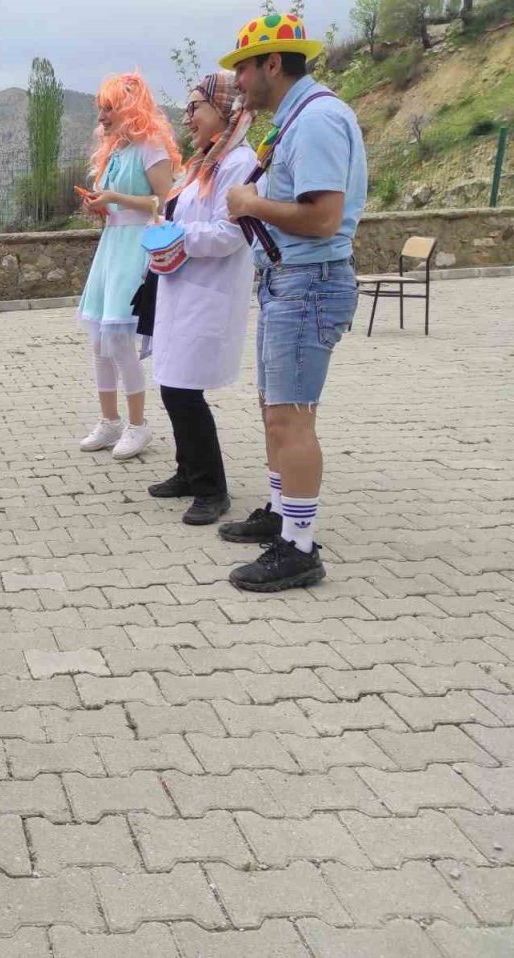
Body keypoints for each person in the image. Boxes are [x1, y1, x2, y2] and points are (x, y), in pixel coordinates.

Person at [218, 12, 367, 591]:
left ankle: (300, 548)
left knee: (293, 416)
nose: (238, 82)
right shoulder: (298, 118)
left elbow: (324, 218)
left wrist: (251, 203)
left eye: (243, 69)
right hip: (287, 282)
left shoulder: (319, 120)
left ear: (272, 65)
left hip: (308, 284)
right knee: (274, 408)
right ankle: (282, 514)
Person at [148, 71, 257, 526]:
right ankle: (187, 471)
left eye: (197, 107)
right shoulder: (204, 162)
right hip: (183, 286)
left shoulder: (239, 163)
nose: (188, 116)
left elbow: (230, 234)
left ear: (226, 109)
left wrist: (177, 233)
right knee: (172, 383)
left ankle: (212, 489)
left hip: (209, 292)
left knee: (184, 390)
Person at [77, 72, 179, 461]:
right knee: (100, 340)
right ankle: (110, 421)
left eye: (109, 109)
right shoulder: (115, 152)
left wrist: (118, 196)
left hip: (136, 247)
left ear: (129, 109)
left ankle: (139, 426)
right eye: (101, 110)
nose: (102, 118)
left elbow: (165, 203)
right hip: (112, 245)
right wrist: (101, 207)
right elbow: (118, 207)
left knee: (119, 339)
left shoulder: (151, 147)